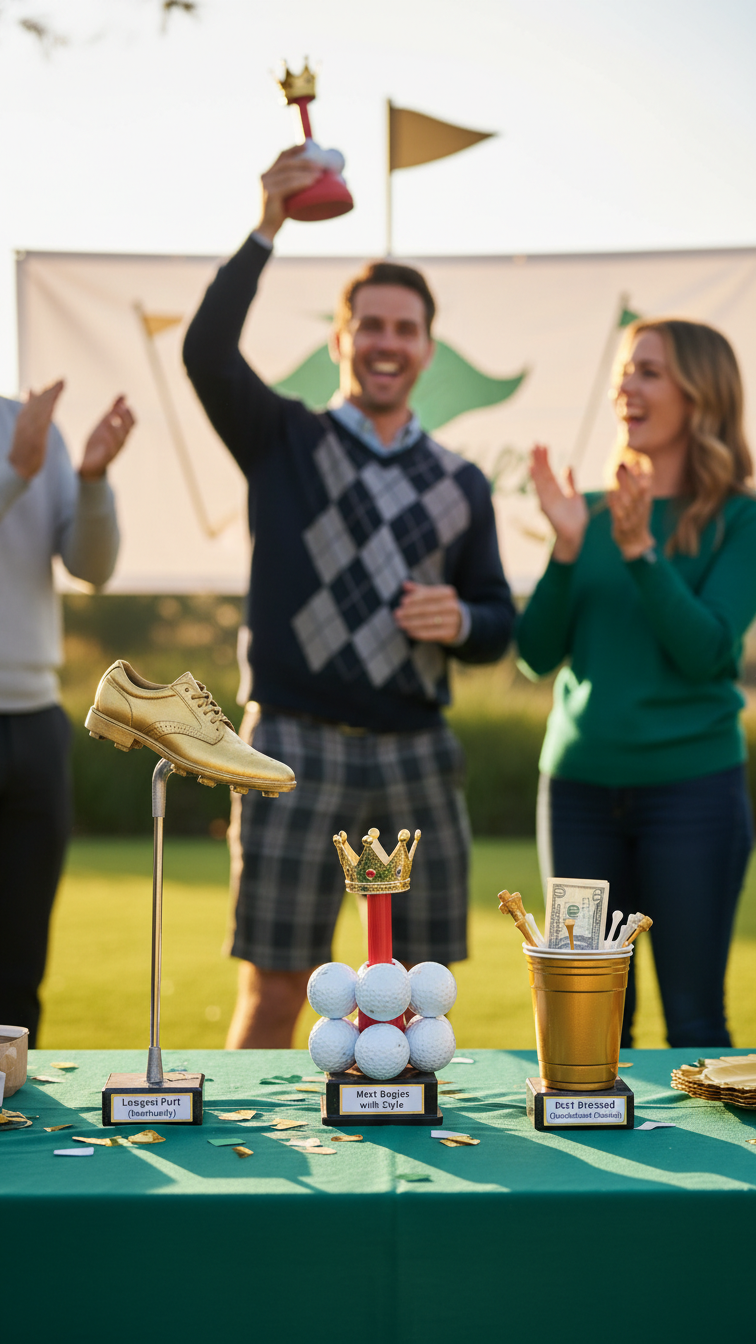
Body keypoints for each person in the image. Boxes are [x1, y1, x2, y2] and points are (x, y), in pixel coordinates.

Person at [183, 146, 515, 1049]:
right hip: (289, 743)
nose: (386, 342)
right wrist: (268, 223)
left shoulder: (462, 482)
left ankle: (408, 1184)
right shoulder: (283, 437)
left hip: (416, 749)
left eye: (405, 328)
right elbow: (205, 350)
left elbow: (497, 623)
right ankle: (247, 1189)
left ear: (427, 349)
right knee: (279, 995)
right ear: (341, 339)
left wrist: (467, 619)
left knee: (411, 1009)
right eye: (369, 324)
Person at [517, 317, 756, 1048]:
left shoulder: (740, 518)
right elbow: (534, 652)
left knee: (693, 1018)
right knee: (587, 1027)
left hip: (693, 798)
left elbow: (710, 651)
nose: (628, 385)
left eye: (649, 371)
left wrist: (642, 555)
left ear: (699, 394)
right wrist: (564, 550)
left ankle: (713, 1168)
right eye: (627, 369)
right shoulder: (586, 513)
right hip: (578, 798)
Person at [0, 380, 134, 1044]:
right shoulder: (24, 446)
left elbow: (93, 567)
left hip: (36, 723)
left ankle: (14, 1122)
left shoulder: (32, 429)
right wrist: (13, 474)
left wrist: (89, 477)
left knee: (20, 970)